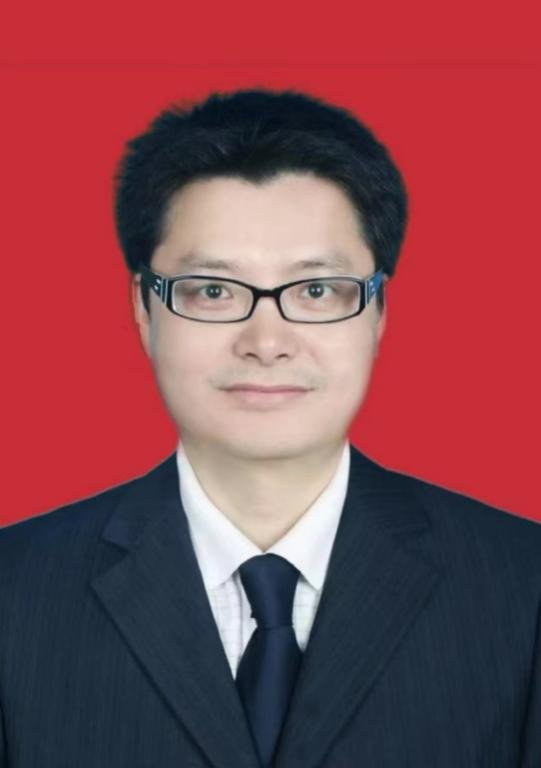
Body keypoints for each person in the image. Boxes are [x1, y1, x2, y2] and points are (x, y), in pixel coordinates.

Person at [0, 87, 539, 768]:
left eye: (315, 291)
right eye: (213, 290)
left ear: (377, 311)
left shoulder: (522, 587)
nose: (266, 341)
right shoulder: (15, 594)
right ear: (143, 307)